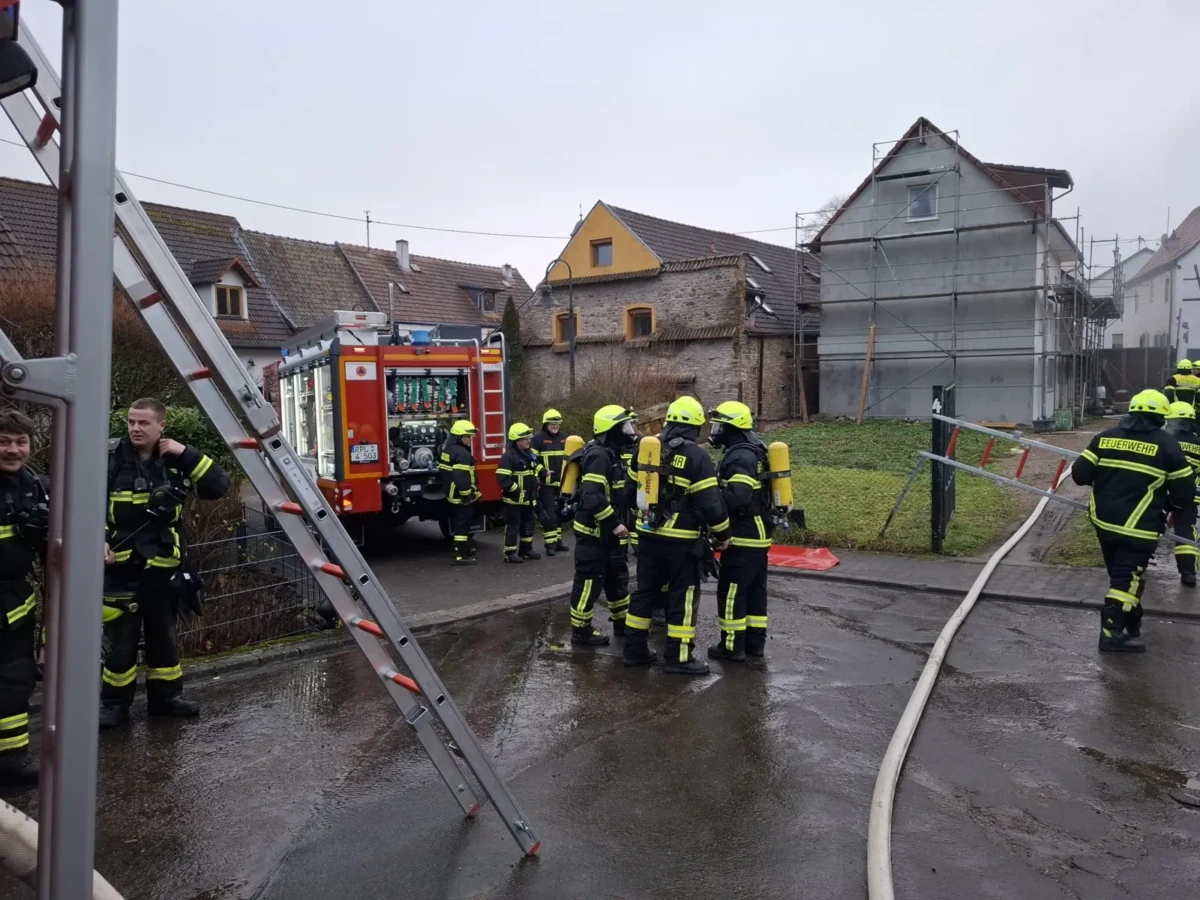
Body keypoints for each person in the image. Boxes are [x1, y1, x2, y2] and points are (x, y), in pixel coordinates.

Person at [101, 398, 230, 728]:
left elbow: (218, 485)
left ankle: (166, 698)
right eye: (131, 422)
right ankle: (114, 705)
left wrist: (187, 453)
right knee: (120, 643)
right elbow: (84, 502)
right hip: (119, 570)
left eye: (144, 423)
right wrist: (97, 541)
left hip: (162, 567)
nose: (135, 428)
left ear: (162, 426)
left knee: (164, 638)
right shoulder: (110, 458)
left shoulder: (176, 461)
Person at [1071, 389, 1193, 653]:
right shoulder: (1167, 445)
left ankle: (1131, 618)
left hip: (1103, 522)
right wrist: (1169, 505)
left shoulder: (1104, 438)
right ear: (1161, 418)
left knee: (1121, 574)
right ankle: (1110, 632)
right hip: (1140, 526)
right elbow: (1184, 493)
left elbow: (1079, 475)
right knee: (1126, 577)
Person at [625, 396, 730, 675]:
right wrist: (723, 534)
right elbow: (710, 503)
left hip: (647, 536)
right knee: (683, 597)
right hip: (682, 542)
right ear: (695, 427)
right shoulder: (697, 456)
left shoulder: (646, 449)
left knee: (644, 592)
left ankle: (634, 651)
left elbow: (626, 493)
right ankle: (678, 658)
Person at [0, 411, 48, 783]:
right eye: (4, 441)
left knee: (16, 682)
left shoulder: (34, 485)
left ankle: (12, 759)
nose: (13, 450)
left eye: (20, 442)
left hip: (15, 604)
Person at [706, 401, 772, 662]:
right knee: (755, 592)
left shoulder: (740, 456)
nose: (717, 429)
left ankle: (732, 646)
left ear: (732, 427)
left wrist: (711, 500)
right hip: (757, 535)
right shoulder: (752, 449)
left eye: (720, 424)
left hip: (744, 536)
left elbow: (739, 495)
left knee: (732, 591)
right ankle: (755, 644)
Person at [568, 405, 635, 646]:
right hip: (594, 536)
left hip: (609, 537)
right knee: (589, 583)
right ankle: (581, 631)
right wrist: (615, 524)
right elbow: (592, 496)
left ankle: (621, 624)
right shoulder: (598, 455)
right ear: (610, 430)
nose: (629, 432)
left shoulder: (612, 453)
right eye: (623, 427)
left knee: (617, 581)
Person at [1164, 400, 1200, 586]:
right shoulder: (1198, 443)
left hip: (1162, 493)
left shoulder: (1166, 439)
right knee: (1186, 531)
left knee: (1149, 525)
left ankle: (1139, 562)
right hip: (1189, 495)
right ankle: (1188, 573)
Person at [497, 423, 542, 564]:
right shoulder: (508, 457)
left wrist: (544, 473)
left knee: (529, 524)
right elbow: (502, 479)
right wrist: (517, 489)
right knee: (513, 526)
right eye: (525, 439)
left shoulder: (530, 454)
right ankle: (509, 553)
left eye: (528, 438)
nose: (528, 441)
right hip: (514, 500)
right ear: (517, 441)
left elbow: (536, 467)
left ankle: (526, 549)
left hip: (529, 499)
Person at [440, 419, 481, 567]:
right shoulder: (462, 454)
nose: (470, 440)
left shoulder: (448, 450)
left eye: (470, 437)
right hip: (460, 496)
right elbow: (461, 477)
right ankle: (459, 554)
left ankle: (465, 549)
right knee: (463, 525)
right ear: (458, 437)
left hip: (451, 494)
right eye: (466, 437)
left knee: (461, 523)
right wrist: (467, 494)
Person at [530, 409, 569, 556]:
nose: (555, 426)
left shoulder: (566, 438)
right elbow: (532, 459)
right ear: (546, 424)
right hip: (545, 484)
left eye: (557, 423)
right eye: (552, 423)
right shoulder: (537, 439)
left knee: (560, 513)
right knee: (550, 514)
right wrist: (542, 471)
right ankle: (550, 544)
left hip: (562, 484)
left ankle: (557, 541)